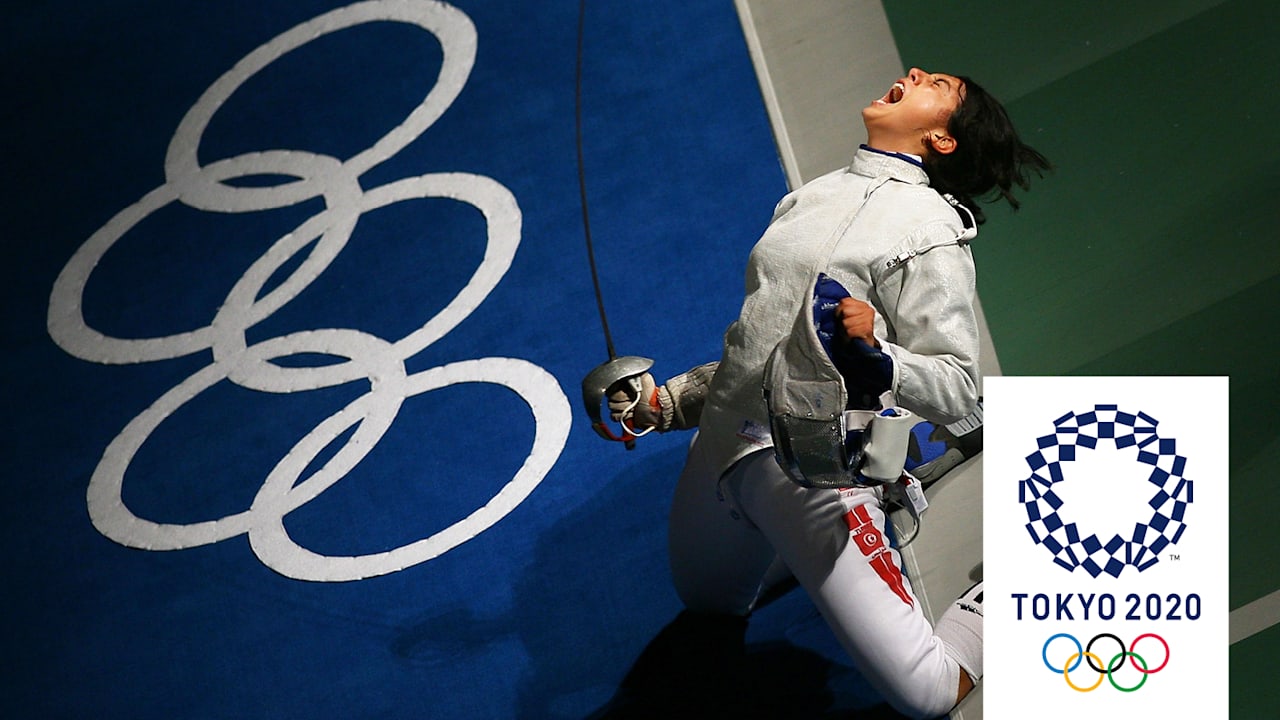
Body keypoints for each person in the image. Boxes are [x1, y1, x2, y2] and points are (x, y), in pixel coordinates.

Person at [603, 67, 1050, 718]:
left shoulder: (930, 232)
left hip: (816, 473)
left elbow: (957, 385)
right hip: (725, 445)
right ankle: (896, 471)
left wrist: (878, 355)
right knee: (708, 603)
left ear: (942, 139)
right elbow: (758, 344)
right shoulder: (814, 195)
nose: (915, 73)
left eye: (936, 85)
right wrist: (663, 404)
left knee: (926, 692)